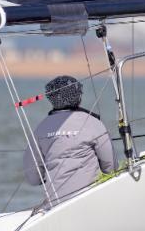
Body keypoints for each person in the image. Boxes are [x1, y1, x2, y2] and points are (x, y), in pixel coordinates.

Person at [23, 75, 116, 203]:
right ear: (78, 96)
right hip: (90, 200)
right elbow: (111, 167)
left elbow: (33, 178)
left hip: (55, 205)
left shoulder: (40, 128)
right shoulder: (93, 123)